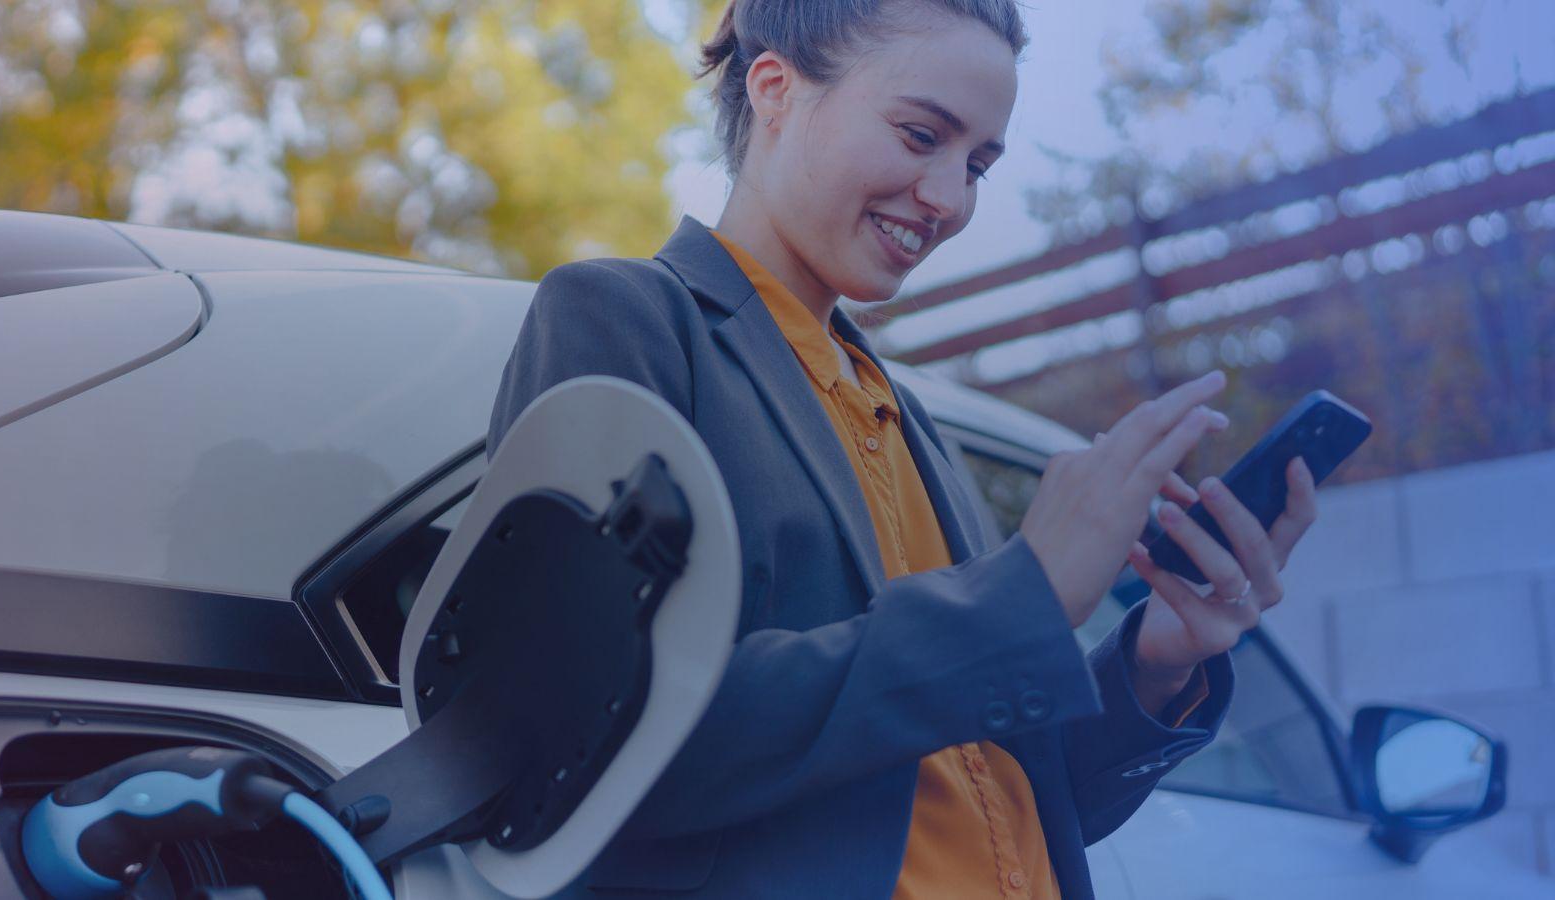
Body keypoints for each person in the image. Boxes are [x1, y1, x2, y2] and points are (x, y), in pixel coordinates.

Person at [484, 1, 1323, 897]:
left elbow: (1002, 801)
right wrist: (1022, 599)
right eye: (921, 135)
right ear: (774, 89)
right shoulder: (625, 321)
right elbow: (586, 736)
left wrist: (1156, 662)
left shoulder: (909, 420)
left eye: (978, 166)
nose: (949, 200)